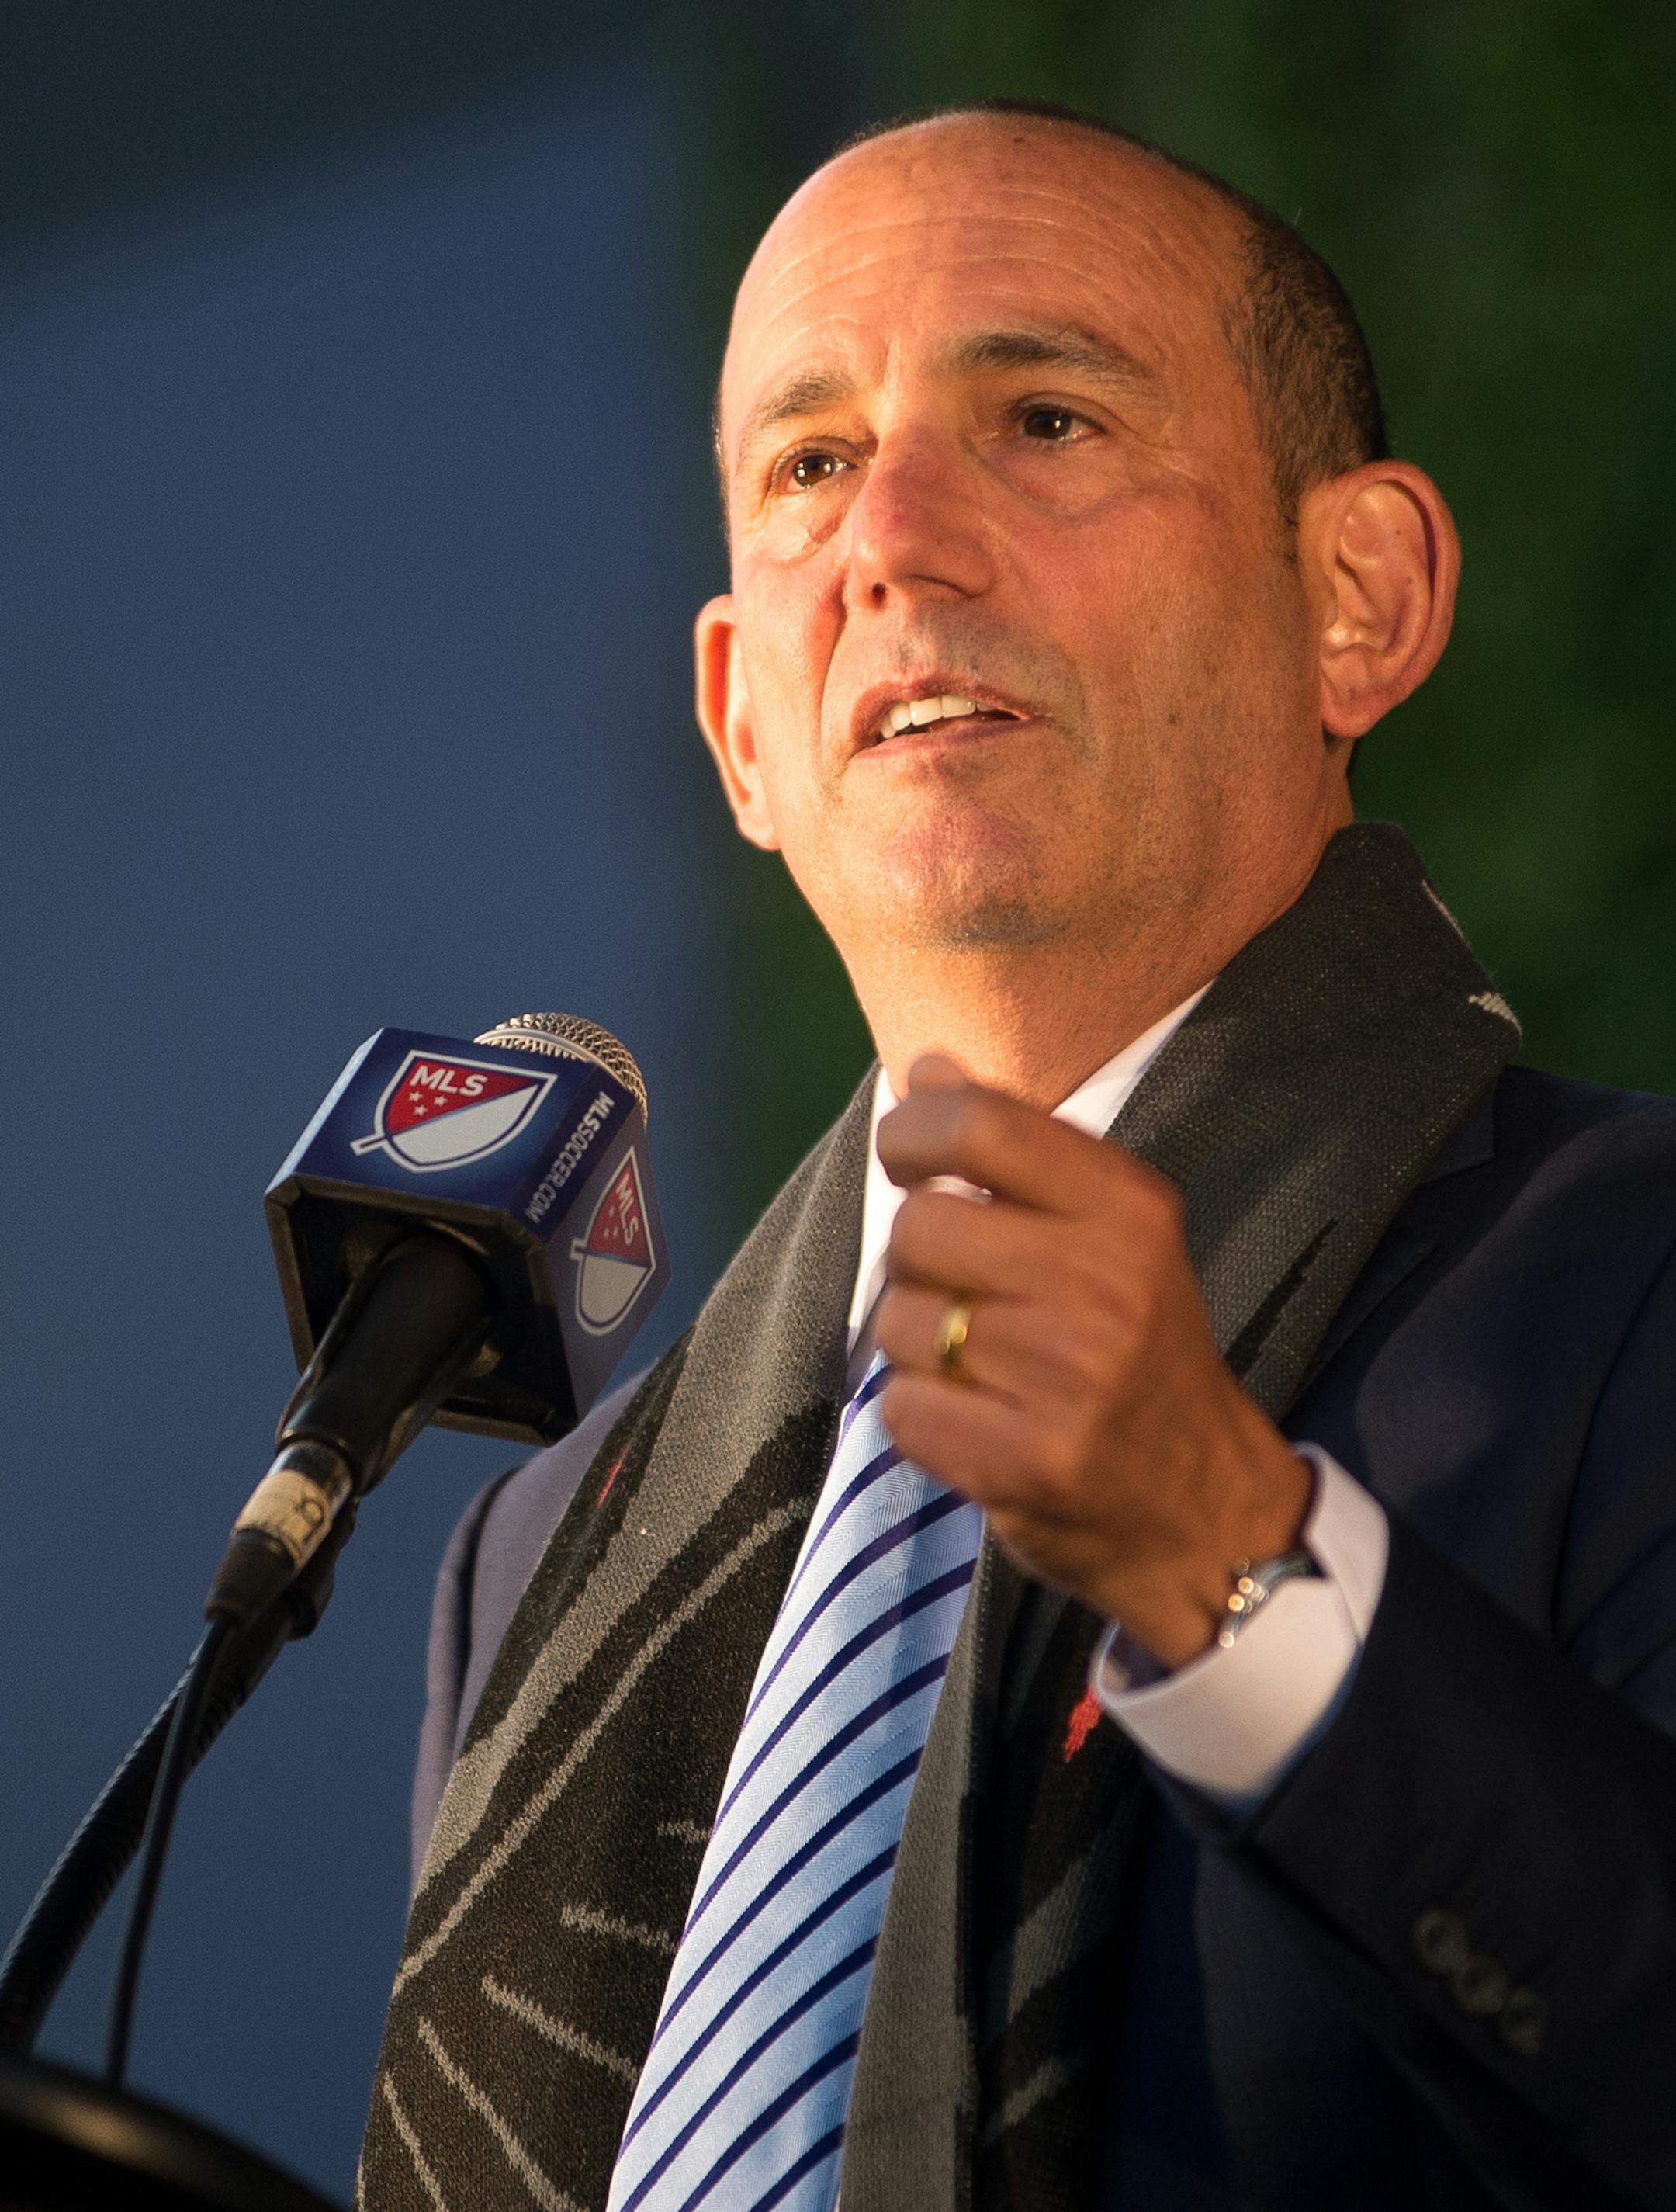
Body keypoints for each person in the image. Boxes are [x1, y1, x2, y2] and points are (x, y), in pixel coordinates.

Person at [359, 102, 1676, 2212]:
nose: (891, 536)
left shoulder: (1626, 1289)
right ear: (742, 732)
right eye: (806, 467)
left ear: (1362, 594)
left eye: (1044, 419)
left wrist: (1236, 1572)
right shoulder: (536, 1559)